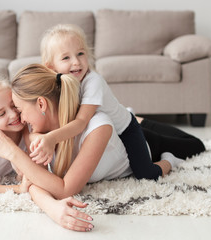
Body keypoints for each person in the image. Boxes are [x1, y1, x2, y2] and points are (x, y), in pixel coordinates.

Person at [0, 64, 205, 231]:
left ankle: (168, 158)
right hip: (111, 132)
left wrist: (13, 153)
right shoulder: (34, 130)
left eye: (19, 109)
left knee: (196, 145)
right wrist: (52, 208)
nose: (19, 117)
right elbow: (35, 180)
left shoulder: (99, 127)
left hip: (144, 143)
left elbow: (65, 188)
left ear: (41, 104)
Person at [29, 24, 184, 180]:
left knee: (146, 174)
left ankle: (169, 160)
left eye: (80, 53)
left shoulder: (93, 81)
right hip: (106, 128)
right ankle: (126, 112)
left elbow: (81, 122)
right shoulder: (58, 85)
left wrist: (51, 138)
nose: (76, 62)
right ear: (51, 66)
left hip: (125, 130)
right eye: (66, 57)